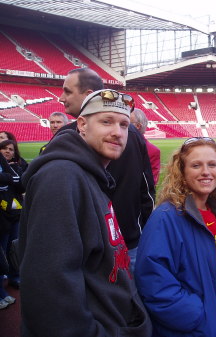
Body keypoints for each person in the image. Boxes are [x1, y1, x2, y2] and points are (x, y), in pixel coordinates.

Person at [19, 89, 153, 337]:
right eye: (106, 121)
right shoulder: (61, 178)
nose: (117, 132)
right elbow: (48, 288)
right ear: (81, 125)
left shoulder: (90, 175)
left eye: (124, 125)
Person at [135, 137, 216, 337]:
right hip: (196, 327)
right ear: (182, 171)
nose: (206, 172)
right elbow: (154, 283)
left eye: (212, 165)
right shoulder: (166, 218)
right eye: (196, 165)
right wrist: (196, 316)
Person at [58, 68, 155, 271]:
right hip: (100, 246)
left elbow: (145, 190)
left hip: (113, 245)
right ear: (83, 125)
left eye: (67, 91)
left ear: (88, 94)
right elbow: (147, 192)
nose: (61, 98)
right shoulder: (58, 159)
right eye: (106, 122)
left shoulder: (64, 138)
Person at [0, 139, 26, 308]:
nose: (8, 151)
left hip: (14, 214)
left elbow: (20, 183)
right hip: (1, 217)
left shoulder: (16, 165)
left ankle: (13, 277)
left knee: (12, 249)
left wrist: (8, 179)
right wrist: (10, 178)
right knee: (1, 254)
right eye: (4, 148)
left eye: (11, 149)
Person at [130, 108, 161, 184]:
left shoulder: (152, 151)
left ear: (138, 126)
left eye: (126, 122)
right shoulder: (114, 144)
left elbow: (150, 181)